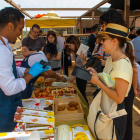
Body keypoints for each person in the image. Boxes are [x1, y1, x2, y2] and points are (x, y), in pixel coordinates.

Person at [0, 7, 48, 132]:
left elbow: (8, 71)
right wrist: (30, 75)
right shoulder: (1, 50)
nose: (21, 33)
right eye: (20, 29)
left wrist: (26, 71)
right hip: (4, 111)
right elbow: (10, 88)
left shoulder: (5, 45)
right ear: (10, 26)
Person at [87, 23, 134, 140]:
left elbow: (119, 98)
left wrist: (98, 82)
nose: (101, 42)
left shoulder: (122, 64)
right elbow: (109, 80)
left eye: (104, 39)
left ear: (114, 41)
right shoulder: (110, 60)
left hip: (114, 116)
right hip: (106, 111)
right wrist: (96, 74)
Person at [99, 9, 139, 140]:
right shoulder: (113, 53)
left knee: (123, 124)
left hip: (123, 88)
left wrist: (133, 88)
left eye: (104, 25)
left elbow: (132, 68)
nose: (102, 28)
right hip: (116, 84)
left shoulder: (124, 45)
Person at [66, 35, 88, 103]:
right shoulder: (78, 50)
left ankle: (86, 109)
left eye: (70, 45)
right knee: (81, 94)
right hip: (79, 75)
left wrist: (74, 76)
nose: (69, 47)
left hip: (82, 75)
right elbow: (78, 65)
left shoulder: (82, 50)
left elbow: (84, 67)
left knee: (82, 94)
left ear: (74, 43)